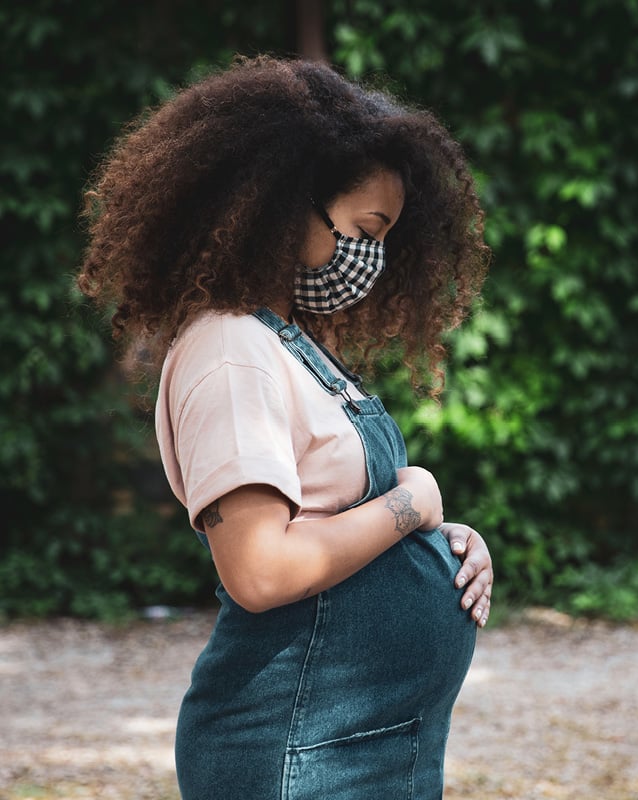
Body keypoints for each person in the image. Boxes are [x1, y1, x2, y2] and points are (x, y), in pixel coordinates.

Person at [78, 55, 492, 800]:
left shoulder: (285, 343)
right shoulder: (232, 350)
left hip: (359, 743)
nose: (375, 257)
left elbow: (333, 517)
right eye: (368, 229)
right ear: (284, 205)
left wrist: (447, 546)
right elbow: (262, 569)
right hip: (301, 751)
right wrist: (412, 505)